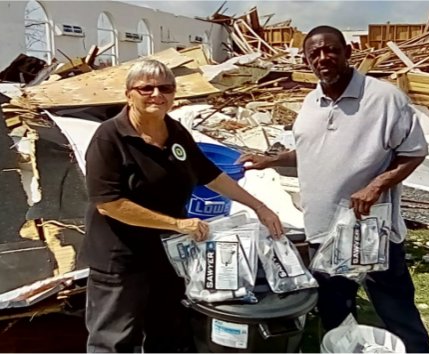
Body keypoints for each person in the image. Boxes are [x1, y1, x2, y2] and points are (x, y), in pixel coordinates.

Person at [237, 25, 429, 353]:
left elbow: (413, 152)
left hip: (371, 228)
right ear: (306, 60)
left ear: (348, 52)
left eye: (331, 50)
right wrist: (270, 161)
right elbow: (311, 152)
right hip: (323, 230)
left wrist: (374, 186)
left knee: (394, 306)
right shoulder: (311, 103)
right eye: (314, 53)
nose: (323, 58)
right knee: (335, 307)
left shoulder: (384, 98)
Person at [81, 59, 284, 353]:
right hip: (121, 260)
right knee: (115, 339)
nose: (156, 94)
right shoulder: (109, 137)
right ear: (129, 94)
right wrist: (177, 224)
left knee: (167, 331)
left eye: (165, 88)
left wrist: (259, 206)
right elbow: (109, 204)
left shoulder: (174, 132)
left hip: (167, 256)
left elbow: (209, 174)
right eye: (146, 88)